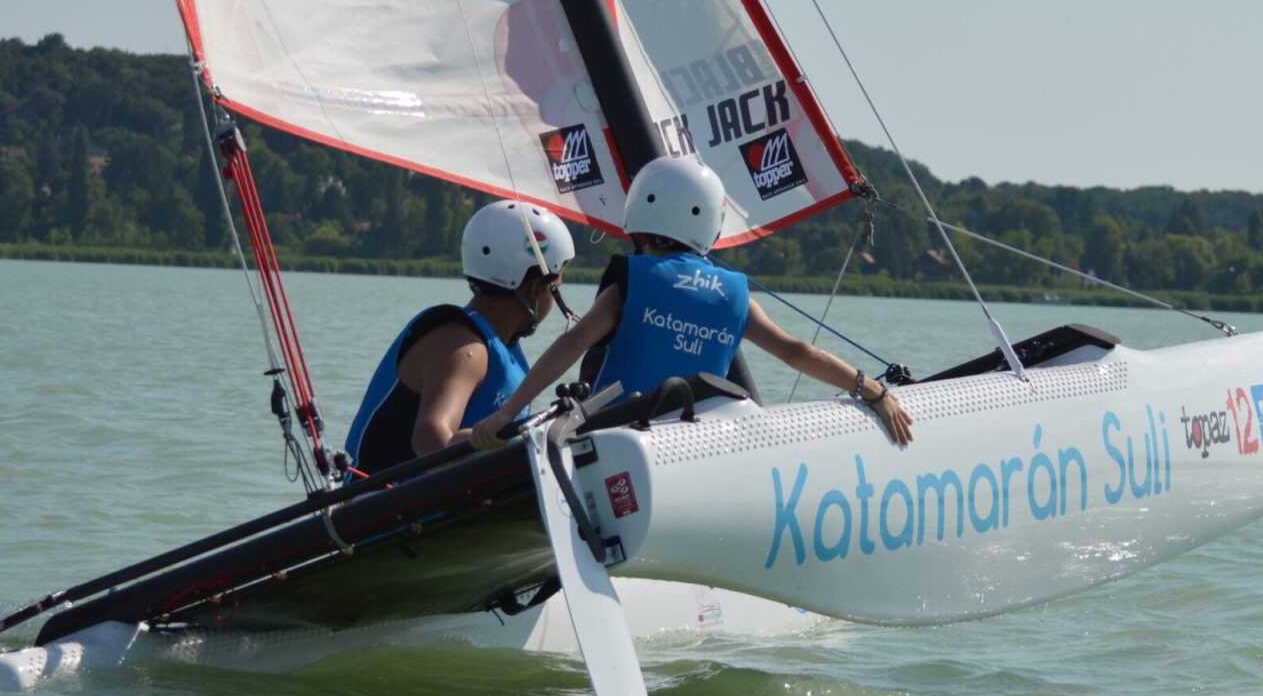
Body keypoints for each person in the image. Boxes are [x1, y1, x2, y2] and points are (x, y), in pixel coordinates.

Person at [470, 157, 913, 449]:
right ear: (711, 225)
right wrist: (872, 389)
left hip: (612, 441)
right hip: (693, 447)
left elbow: (573, 344)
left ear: (638, 213)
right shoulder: (734, 294)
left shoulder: (632, 281)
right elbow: (796, 352)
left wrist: (507, 413)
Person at [343, 199, 576, 475]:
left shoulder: (498, 343)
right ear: (536, 287)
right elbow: (431, 437)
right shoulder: (465, 349)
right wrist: (493, 443)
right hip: (383, 499)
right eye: (556, 286)